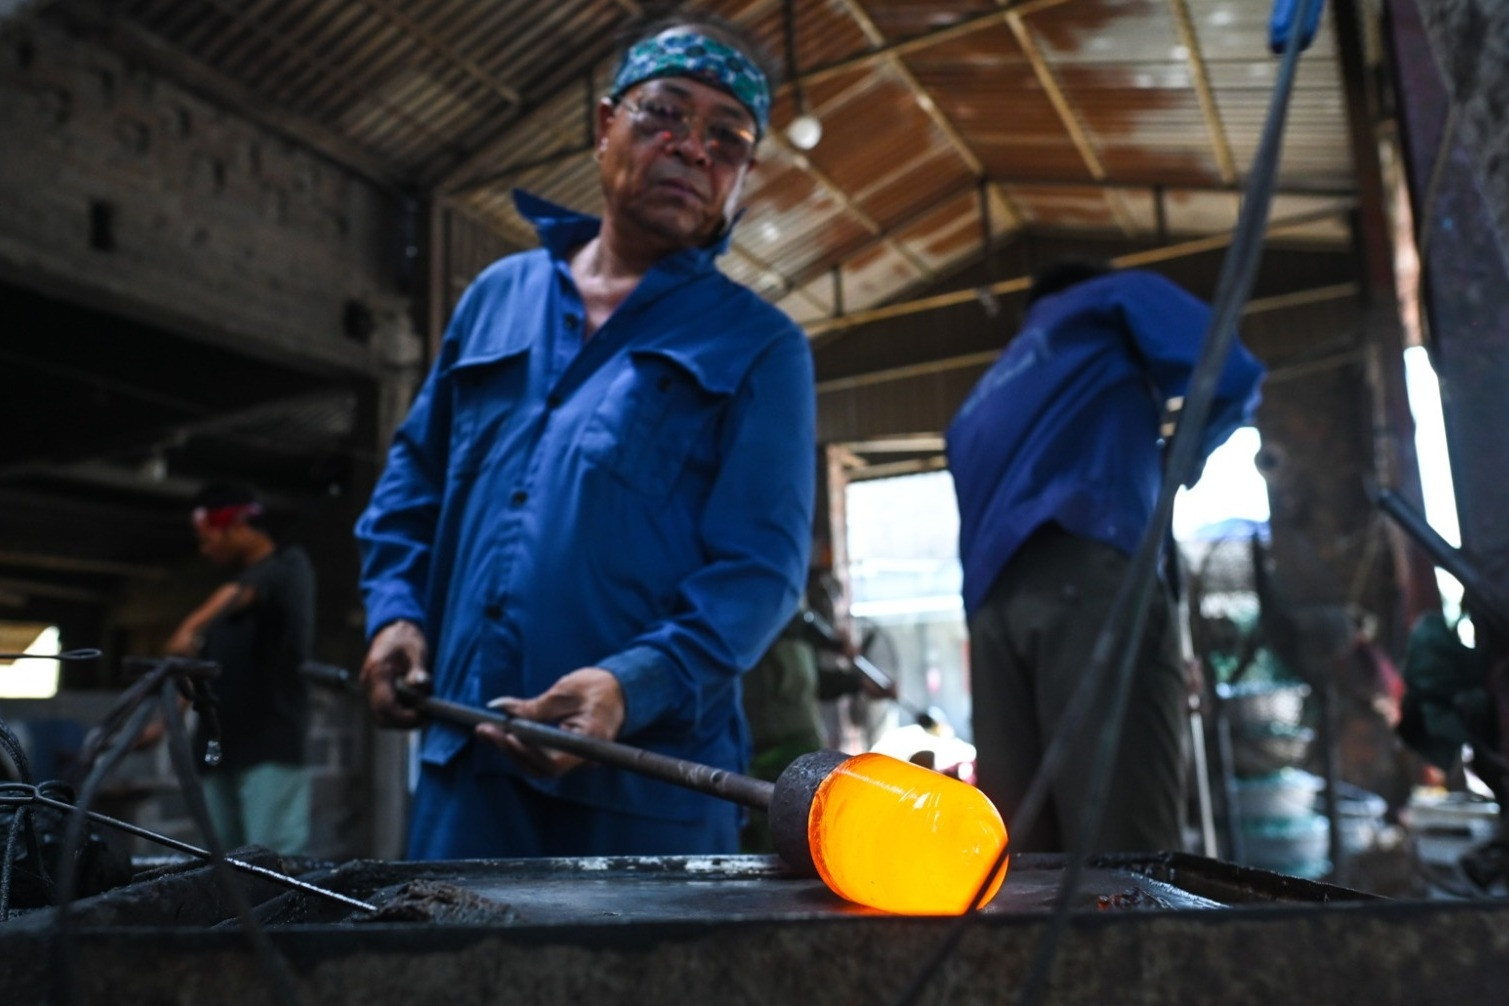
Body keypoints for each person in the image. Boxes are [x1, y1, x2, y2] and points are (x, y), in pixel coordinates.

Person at [354, 12, 815, 860]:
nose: (691, 148)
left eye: (727, 137)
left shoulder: (760, 347)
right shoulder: (498, 295)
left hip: (648, 787)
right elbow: (412, 482)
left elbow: (762, 570)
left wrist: (632, 685)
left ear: (743, 176)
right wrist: (394, 616)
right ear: (605, 125)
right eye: (664, 114)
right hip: (465, 775)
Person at [946, 260, 1265, 853]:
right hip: (1087, 585)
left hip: (992, 622)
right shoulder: (1109, 299)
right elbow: (1229, 371)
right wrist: (1181, 461)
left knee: (1022, 864)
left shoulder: (979, 400)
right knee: (1123, 862)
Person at [164, 483, 315, 855]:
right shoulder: (227, 603)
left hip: (270, 745)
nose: (206, 549)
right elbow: (197, 665)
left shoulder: (287, 567)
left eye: (209, 537)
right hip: (218, 747)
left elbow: (245, 590)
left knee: (272, 863)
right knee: (220, 869)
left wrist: (189, 627)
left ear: (237, 526)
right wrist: (166, 720)